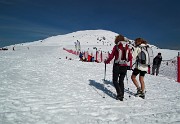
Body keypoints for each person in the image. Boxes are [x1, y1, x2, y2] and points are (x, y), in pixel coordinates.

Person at [105, 34, 132, 101]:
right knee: (121, 81)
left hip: (117, 65)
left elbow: (111, 56)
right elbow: (130, 58)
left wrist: (107, 61)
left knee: (115, 80)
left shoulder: (116, 46)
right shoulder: (127, 47)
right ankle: (122, 95)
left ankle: (119, 93)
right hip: (124, 66)